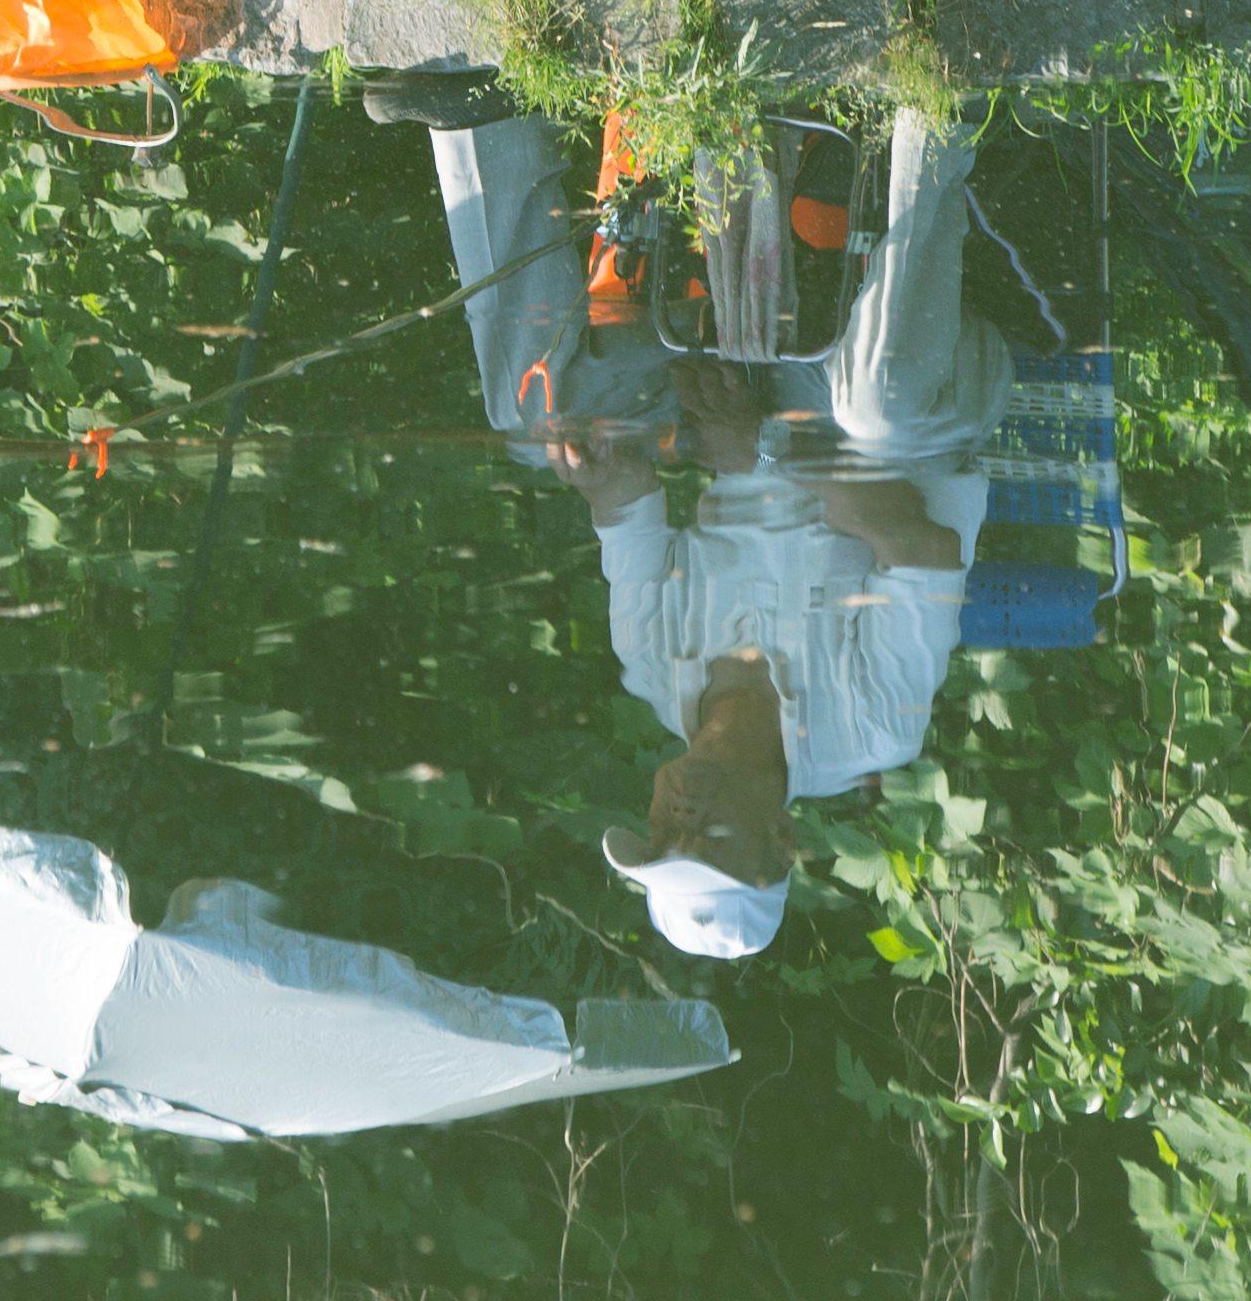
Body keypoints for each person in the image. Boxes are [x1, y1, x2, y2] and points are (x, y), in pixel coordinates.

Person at [398, 87, 1015, 961]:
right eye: (708, 847)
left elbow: (627, 507)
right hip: (906, 405)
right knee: (882, 410)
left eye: (659, 840)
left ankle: (476, 117)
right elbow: (919, 542)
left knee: (533, 428)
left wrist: (601, 465)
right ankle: (934, 107)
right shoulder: (874, 729)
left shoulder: (652, 672)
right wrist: (759, 450)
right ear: (781, 846)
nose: (680, 821)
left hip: (745, 394)